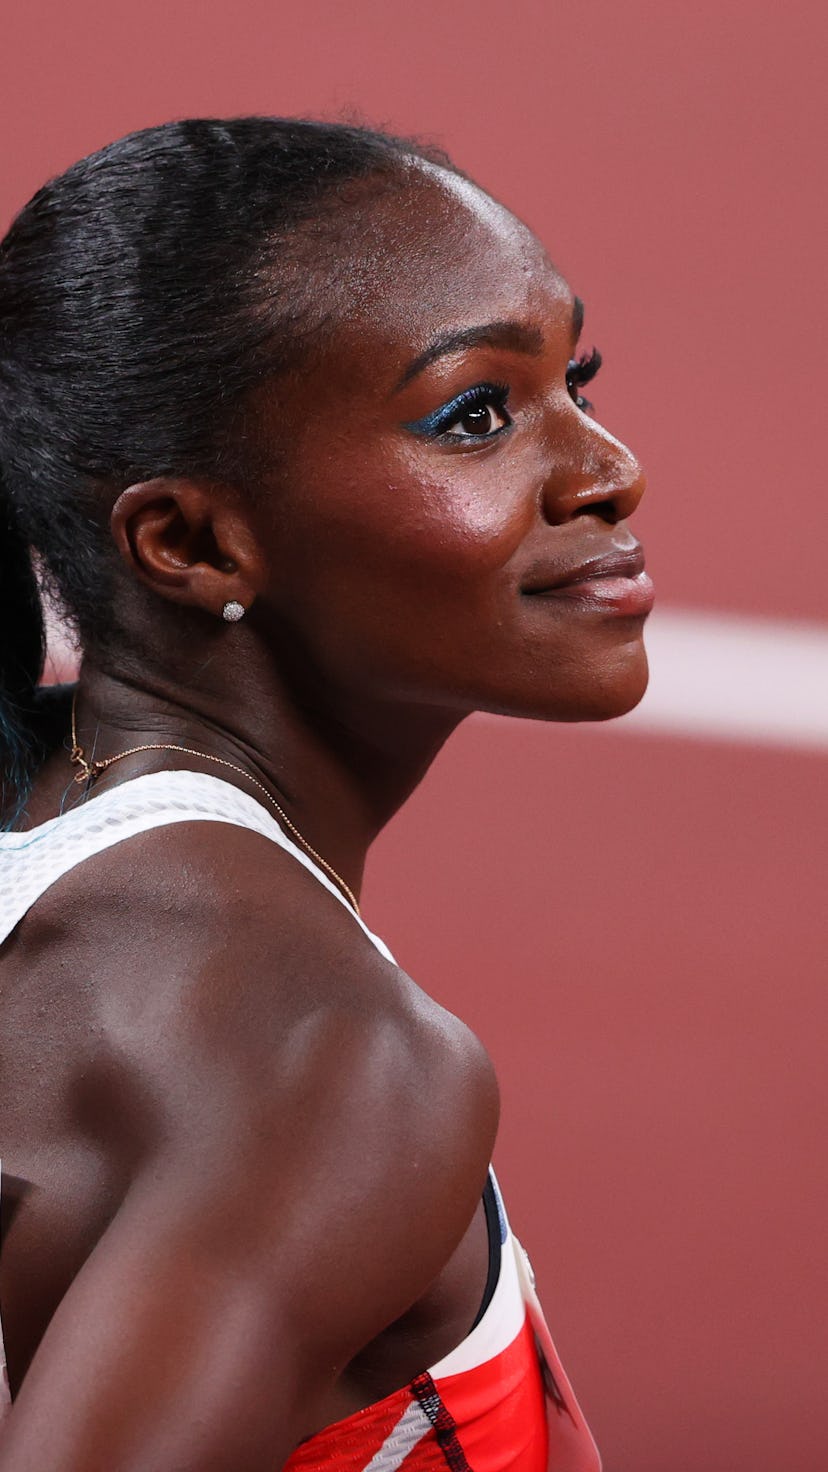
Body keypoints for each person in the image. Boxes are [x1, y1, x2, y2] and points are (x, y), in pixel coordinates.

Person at [0, 117, 651, 1471]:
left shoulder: (43, 820)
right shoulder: (330, 1063)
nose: (606, 471)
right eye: (476, 414)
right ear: (190, 540)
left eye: (573, 377)